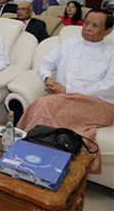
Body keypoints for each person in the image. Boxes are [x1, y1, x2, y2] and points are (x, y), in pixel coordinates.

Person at [16, 10, 114, 173]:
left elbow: (109, 86)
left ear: (108, 30)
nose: (88, 28)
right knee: (45, 104)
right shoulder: (69, 44)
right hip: (64, 98)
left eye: (95, 26)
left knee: (43, 105)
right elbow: (45, 63)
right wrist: (48, 79)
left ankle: (24, 155)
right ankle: (40, 161)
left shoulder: (111, 53)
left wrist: (67, 89)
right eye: (86, 23)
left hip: (99, 104)